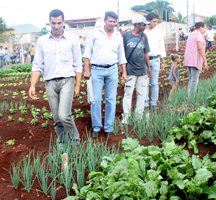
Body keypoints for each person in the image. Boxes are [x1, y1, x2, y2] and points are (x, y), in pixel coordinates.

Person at [29, 9, 82, 149]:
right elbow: (37, 64)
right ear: (50, 23)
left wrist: (77, 85)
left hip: (67, 80)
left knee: (64, 115)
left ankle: (75, 142)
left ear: (63, 22)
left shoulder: (73, 39)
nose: (56, 26)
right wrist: (32, 85)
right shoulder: (42, 41)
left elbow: (77, 64)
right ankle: (64, 144)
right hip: (50, 82)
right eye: (53, 23)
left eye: (59, 23)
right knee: (57, 118)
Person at [83, 11, 127, 139]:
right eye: (110, 21)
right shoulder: (95, 33)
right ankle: (96, 127)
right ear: (105, 21)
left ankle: (108, 127)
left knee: (111, 100)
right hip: (96, 70)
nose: (112, 24)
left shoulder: (118, 36)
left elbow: (121, 55)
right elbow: (87, 52)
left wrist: (124, 71)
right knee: (96, 99)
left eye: (114, 22)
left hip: (112, 69)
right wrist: (87, 69)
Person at [122, 15, 151, 124]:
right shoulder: (125, 36)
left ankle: (139, 115)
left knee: (141, 94)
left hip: (142, 70)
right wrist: (123, 70)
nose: (144, 27)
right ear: (137, 24)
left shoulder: (144, 36)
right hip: (130, 70)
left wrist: (149, 67)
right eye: (143, 25)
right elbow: (121, 54)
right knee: (128, 94)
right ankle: (126, 116)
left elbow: (146, 53)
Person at [144, 12, 166, 110]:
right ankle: (145, 104)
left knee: (155, 82)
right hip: (144, 61)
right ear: (148, 21)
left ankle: (154, 103)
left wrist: (163, 61)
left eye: (157, 22)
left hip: (156, 59)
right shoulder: (142, 32)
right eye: (154, 21)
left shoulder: (158, 32)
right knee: (145, 83)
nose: (156, 23)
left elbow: (162, 47)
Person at [183, 22, 208, 93]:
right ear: (200, 27)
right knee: (194, 80)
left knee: (191, 78)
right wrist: (205, 61)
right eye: (204, 28)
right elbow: (201, 49)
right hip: (195, 60)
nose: (204, 30)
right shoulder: (199, 36)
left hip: (188, 59)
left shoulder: (191, 34)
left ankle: (189, 95)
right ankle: (192, 97)